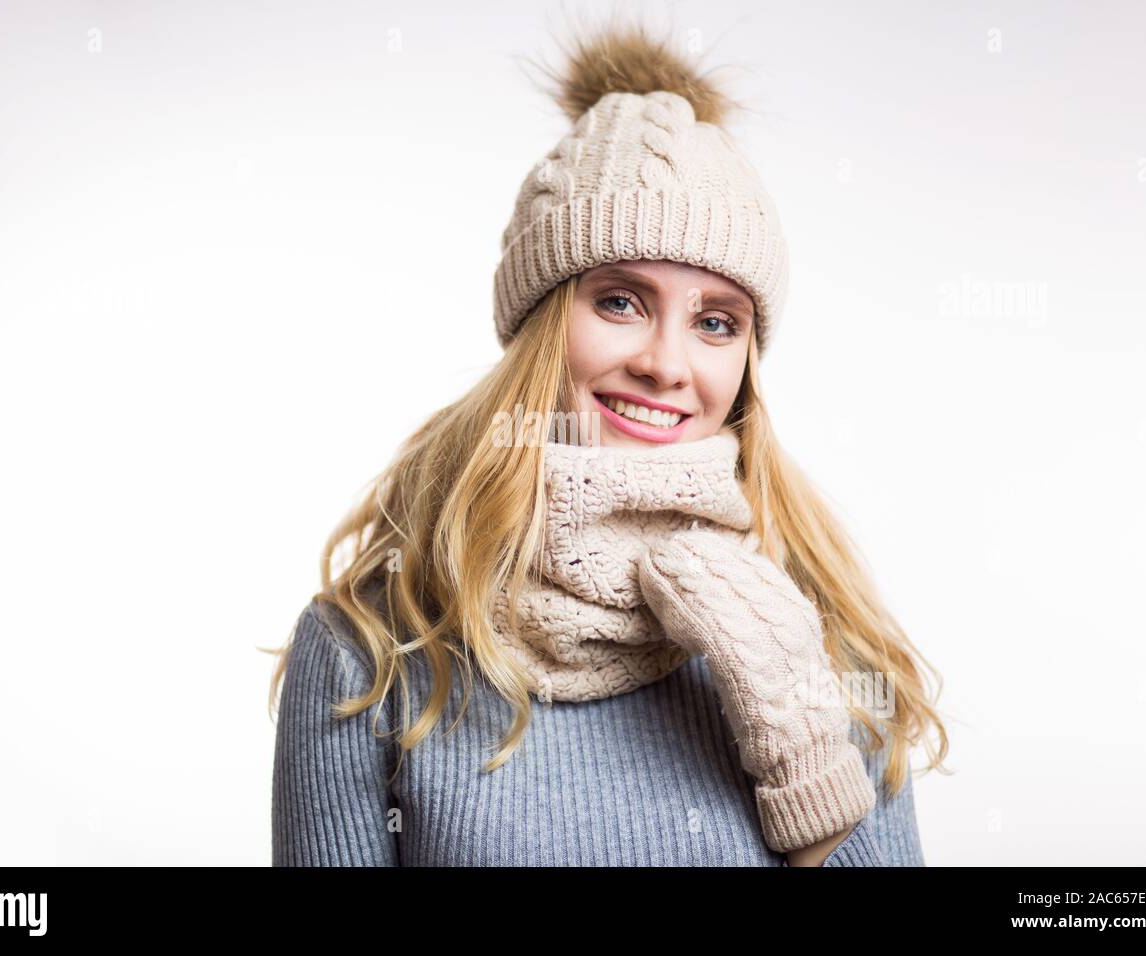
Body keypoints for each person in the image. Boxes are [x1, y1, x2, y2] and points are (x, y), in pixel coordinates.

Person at [267, 17, 949, 867]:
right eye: (621, 301)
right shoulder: (370, 652)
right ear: (543, 322)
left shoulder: (829, 636)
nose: (667, 364)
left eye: (715, 322)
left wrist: (808, 759)